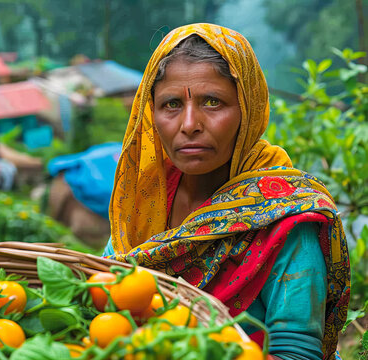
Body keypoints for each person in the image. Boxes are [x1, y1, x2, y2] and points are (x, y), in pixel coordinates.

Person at [103, 23, 349, 360]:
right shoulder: (145, 199)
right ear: (152, 113)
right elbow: (104, 294)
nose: (189, 124)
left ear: (247, 111)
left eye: (212, 102)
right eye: (171, 104)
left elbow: (297, 352)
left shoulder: (285, 213)